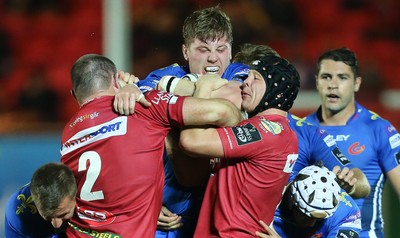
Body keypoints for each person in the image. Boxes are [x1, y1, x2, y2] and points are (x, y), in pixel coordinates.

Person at [60, 54, 242, 237]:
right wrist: (203, 86)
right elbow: (225, 112)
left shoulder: (68, 132)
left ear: (74, 94)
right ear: (116, 80)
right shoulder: (144, 106)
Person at [130, 5, 248, 238]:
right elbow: (133, 112)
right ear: (185, 51)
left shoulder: (241, 72)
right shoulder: (158, 74)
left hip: (220, 213)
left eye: (221, 49)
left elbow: (231, 96)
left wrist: (174, 87)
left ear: (231, 51)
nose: (213, 57)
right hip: (167, 214)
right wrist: (146, 204)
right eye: (203, 49)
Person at [177, 54, 300, 237]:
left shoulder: (264, 131)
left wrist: (203, 87)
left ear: (277, 91)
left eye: (256, 78)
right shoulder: (282, 133)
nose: (245, 83)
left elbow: (190, 141)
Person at [232, 43, 370, 198]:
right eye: (241, 78)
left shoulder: (308, 134)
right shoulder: (221, 126)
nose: (245, 84)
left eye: (255, 78)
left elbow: (362, 184)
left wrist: (349, 184)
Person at [304, 47, 400, 237]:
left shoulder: (379, 130)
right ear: (316, 82)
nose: (333, 84)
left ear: (356, 83)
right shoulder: (302, 130)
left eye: (342, 77)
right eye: (326, 77)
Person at [255, 164, 362, 238]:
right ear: (292, 200)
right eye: (307, 216)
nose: (311, 224)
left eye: (319, 219)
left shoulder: (346, 213)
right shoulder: (266, 187)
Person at [4, 162, 76, 238]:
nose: (56, 225)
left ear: (75, 196)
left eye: (63, 214)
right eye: (47, 217)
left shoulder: (85, 194)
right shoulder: (20, 214)